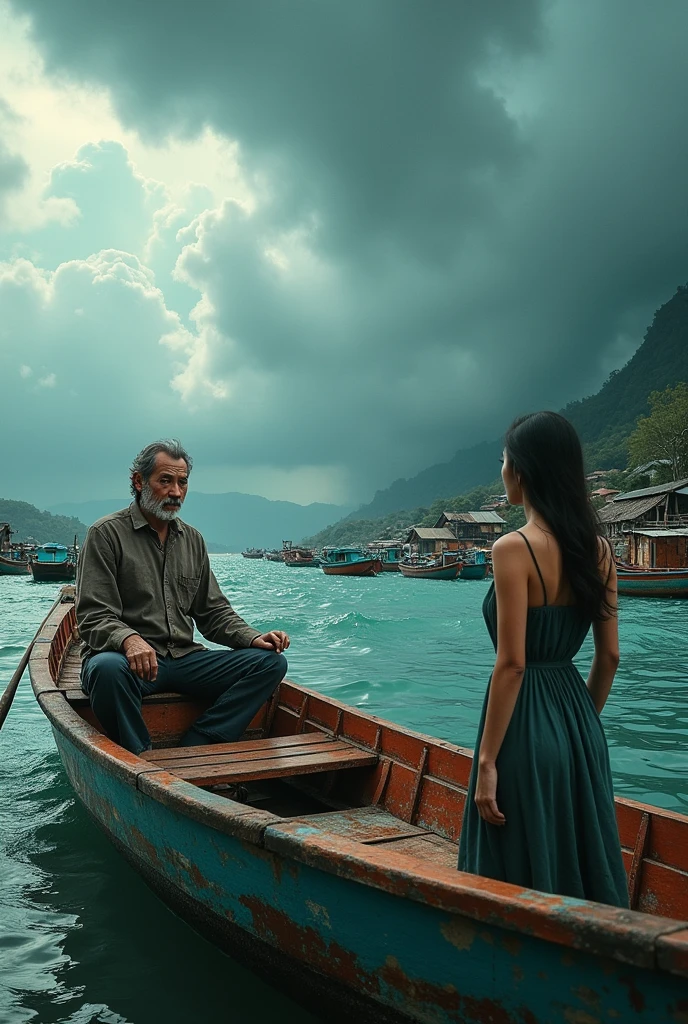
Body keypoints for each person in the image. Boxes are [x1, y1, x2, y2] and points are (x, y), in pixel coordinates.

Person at [458, 412, 628, 907]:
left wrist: (487, 760)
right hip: (578, 723)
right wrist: (576, 726)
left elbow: (512, 664)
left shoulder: (511, 548)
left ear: (523, 471)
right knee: (579, 858)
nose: (503, 471)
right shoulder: (598, 551)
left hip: (523, 723)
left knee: (513, 868)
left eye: (504, 461)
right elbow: (610, 656)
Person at [76, 439, 289, 756]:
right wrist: (129, 640)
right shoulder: (106, 534)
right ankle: (139, 757)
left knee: (270, 664)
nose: (176, 492)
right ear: (138, 482)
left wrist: (254, 637)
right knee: (105, 670)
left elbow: (213, 613)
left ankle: (203, 740)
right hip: (129, 664)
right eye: (165, 481)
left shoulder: (192, 540)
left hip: (183, 661)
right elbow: (93, 616)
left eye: (182, 482)